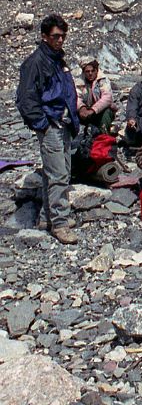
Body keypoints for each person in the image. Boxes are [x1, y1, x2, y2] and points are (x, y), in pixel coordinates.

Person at [15, 14, 80, 245]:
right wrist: (42, 123)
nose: (60, 40)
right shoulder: (36, 62)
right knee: (58, 174)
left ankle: (46, 218)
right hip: (51, 124)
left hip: (63, 123)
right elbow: (25, 99)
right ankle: (60, 224)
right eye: (55, 36)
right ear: (44, 36)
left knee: (57, 172)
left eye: (63, 36)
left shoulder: (57, 59)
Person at [75, 55, 114, 136]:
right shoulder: (79, 81)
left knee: (106, 113)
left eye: (93, 71)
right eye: (87, 71)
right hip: (86, 110)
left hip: (100, 111)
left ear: (96, 70)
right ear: (84, 72)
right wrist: (81, 108)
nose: (90, 73)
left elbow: (107, 98)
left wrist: (93, 110)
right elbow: (76, 96)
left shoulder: (103, 80)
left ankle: (104, 136)